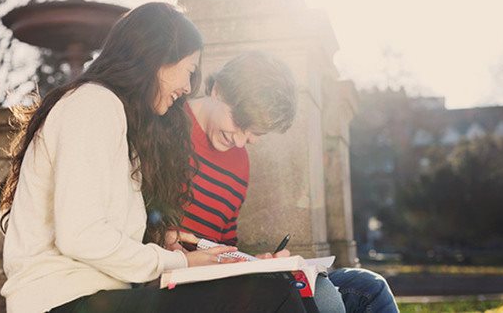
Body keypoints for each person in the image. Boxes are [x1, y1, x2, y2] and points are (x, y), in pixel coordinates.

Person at [0, 3, 307, 313]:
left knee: (274, 291)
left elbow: (98, 232)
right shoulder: (93, 103)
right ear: (158, 59)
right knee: (273, 296)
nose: (187, 87)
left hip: (99, 297)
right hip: (61, 301)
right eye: (189, 71)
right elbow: (81, 236)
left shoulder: (117, 119)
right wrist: (176, 260)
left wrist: (166, 245)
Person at [166, 51, 399, 313]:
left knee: (368, 287)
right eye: (239, 123)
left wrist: (254, 264)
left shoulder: (239, 160)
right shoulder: (168, 129)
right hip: (180, 287)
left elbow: (226, 245)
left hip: (223, 283)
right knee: (322, 298)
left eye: (255, 133)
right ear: (218, 91)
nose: (241, 142)